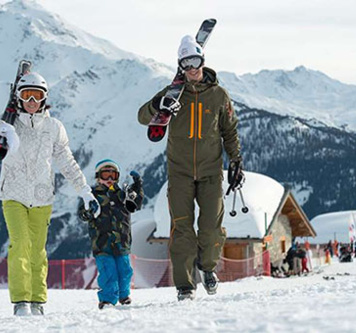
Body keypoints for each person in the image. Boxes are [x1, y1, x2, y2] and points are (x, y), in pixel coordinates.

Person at [0, 72, 99, 316]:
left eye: (37, 95)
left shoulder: (54, 127)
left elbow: (66, 161)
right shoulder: (10, 122)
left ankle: (37, 300)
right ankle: (21, 301)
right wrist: (2, 126)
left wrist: (84, 190)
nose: (32, 100)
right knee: (20, 244)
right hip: (13, 194)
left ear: (45, 99)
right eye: (26, 95)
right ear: (19, 97)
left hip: (42, 196)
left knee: (38, 250)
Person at [138, 35, 242, 301]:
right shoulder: (173, 93)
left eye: (195, 61)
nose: (192, 67)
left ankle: (207, 268)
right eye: (186, 63)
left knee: (211, 228)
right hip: (180, 173)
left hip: (210, 173)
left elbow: (230, 131)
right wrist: (158, 107)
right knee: (182, 229)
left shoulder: (219, 95)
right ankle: (185, 286)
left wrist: (236, 162)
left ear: (203, 61)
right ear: (181, 66)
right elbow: (142, 116)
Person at [78, 159, 144, 309]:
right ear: (98, 176)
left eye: (113, 175)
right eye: (105, 174)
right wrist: (88, 212)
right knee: (108, 272)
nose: (109, 179)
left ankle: (123, 295)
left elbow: (136, 203)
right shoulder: (92, 195)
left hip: (122, 242)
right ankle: (107, 299)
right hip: (102, 243)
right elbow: (82, 213)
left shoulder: (123, 195)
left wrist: (138, 186)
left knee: (125, 270)